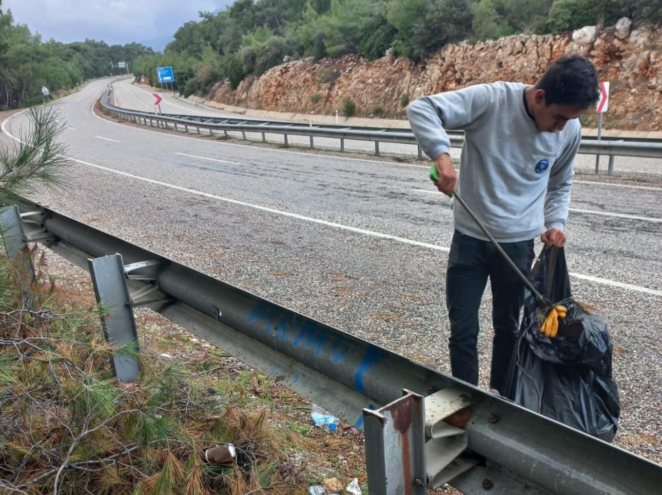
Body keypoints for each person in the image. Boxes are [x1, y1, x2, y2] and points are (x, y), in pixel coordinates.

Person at [407, 55, 599, 393]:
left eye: (570, 120)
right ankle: (465, 399)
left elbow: (561, 182)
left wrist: (555, 222)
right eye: (558, 118)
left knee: (509, 329)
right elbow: (422, 108)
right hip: (469, 239)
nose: (561, 127)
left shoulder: (569, 130)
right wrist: (441, 154)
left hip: (519, 246)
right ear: (540, 97)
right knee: (463, 329)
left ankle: (501, 402)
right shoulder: (492, 100)